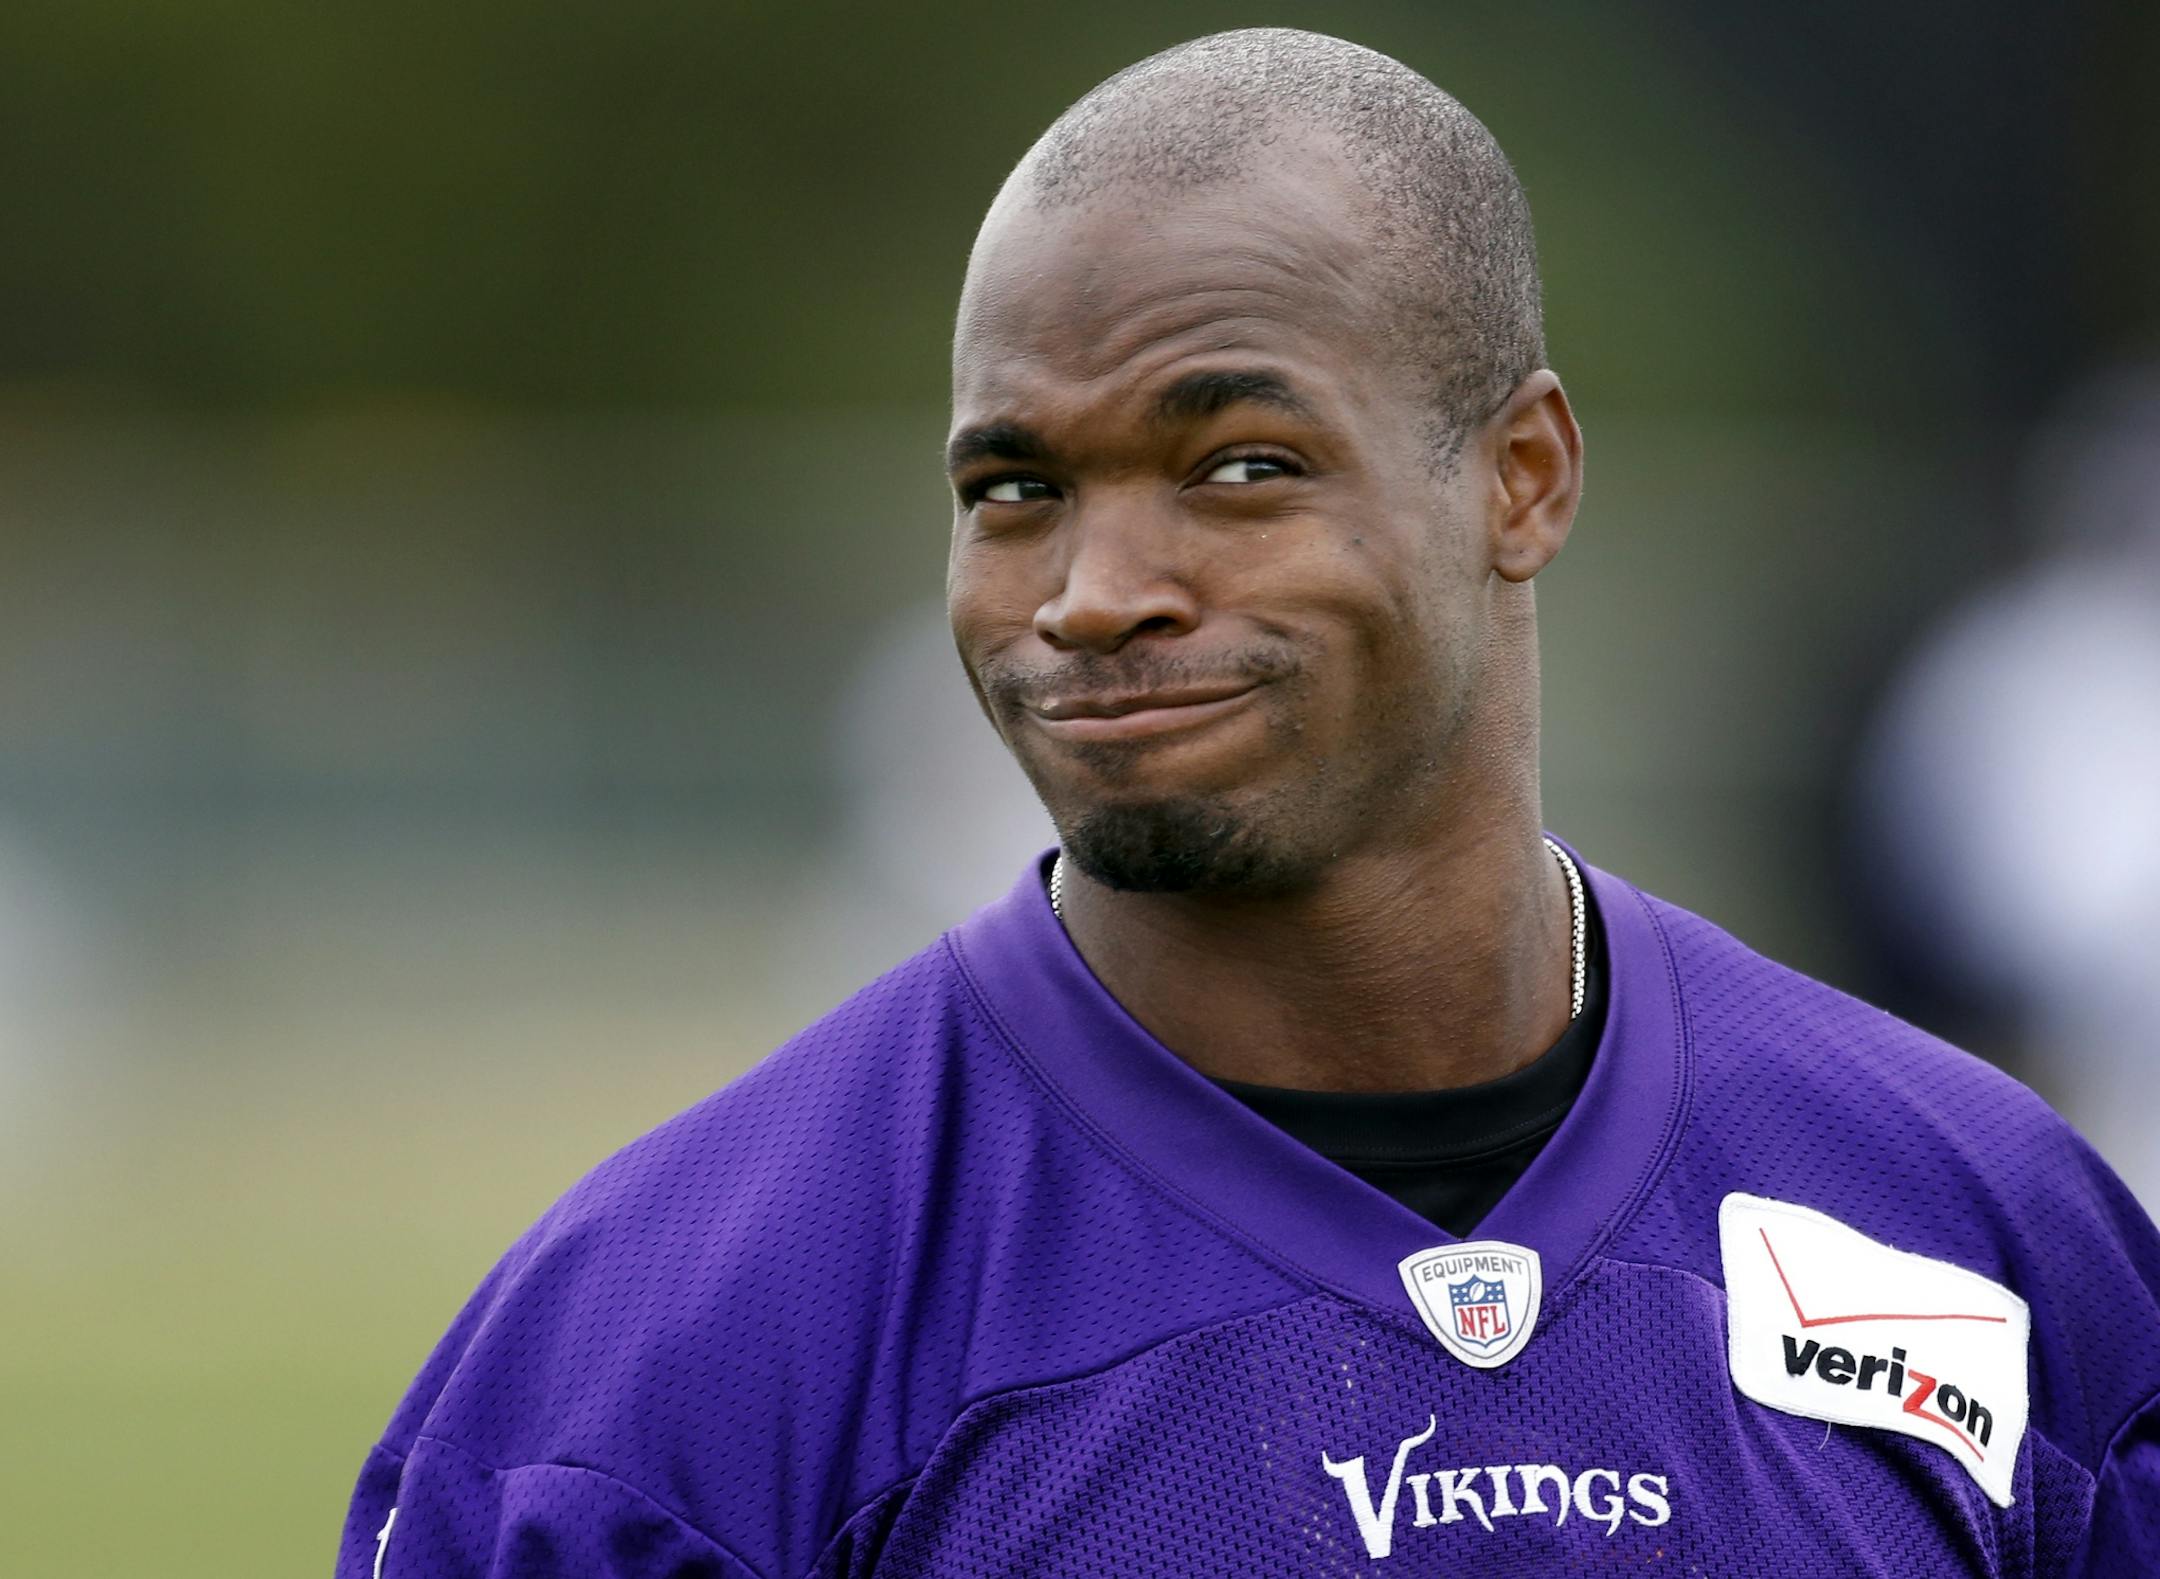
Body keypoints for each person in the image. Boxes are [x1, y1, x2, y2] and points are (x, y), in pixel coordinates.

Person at [339, 29, 2160, 1576]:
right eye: (1017, 487)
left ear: (1520, 479)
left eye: (1240, 464)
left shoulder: (1995, 1235)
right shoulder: (660, 1361)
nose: (1091, 588)